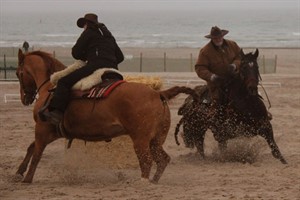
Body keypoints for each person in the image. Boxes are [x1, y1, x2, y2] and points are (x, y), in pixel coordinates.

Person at [43, 13, 124, 124]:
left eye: (84, 25)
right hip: (113, 68)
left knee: (63, 82)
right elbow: (120, 57)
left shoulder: (88, 32)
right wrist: (109, 61)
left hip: (95, 66)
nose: (83, 28)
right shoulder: (108, 35)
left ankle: (57, 112)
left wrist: (88, 58)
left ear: (86, 24)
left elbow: (75, 53)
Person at [195, 26, 241, 107]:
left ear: (223, 36)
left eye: (220, 37)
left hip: (236, 78)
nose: (218, 39)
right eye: (215, 38)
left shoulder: (233, 45)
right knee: (217, 104)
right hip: (217, 84)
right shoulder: (205, 51)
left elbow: (240, 57)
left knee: (250, 92)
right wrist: (212, 76)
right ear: (211, 38)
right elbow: (200, 68)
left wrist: (235, 65)